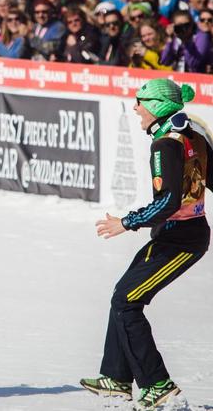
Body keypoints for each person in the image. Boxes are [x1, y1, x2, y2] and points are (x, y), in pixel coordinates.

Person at [82, 79, 210, 410]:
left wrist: (127, 222)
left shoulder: (165, 143)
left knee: (127, 301)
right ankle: (116, 378)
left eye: (140, 101)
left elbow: (167, 201)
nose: (135, 107)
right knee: (122, 295)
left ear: (155, 105)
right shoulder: (191, 130)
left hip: (180, 240)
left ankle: (157, 385)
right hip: (178, 235)